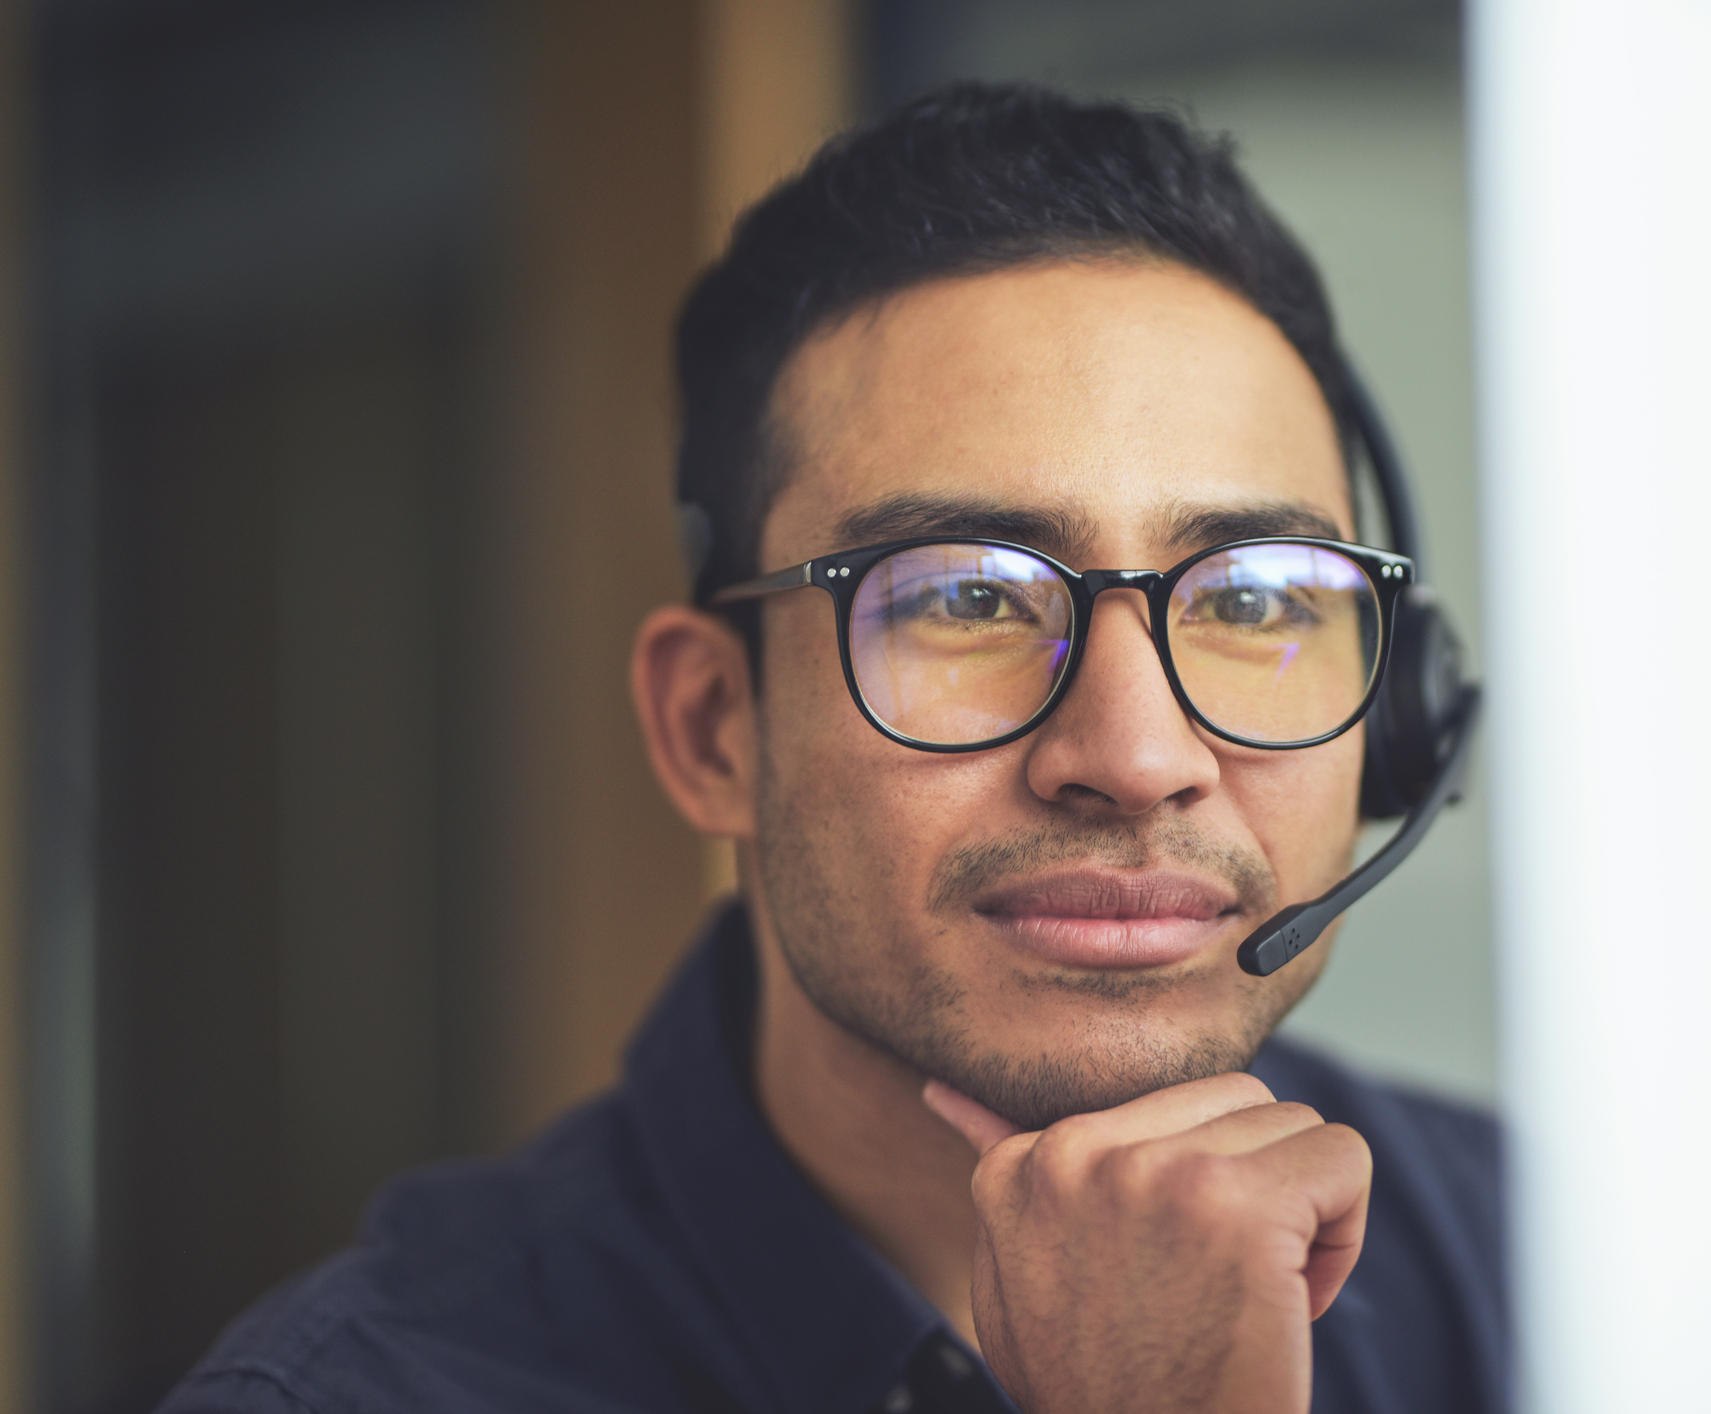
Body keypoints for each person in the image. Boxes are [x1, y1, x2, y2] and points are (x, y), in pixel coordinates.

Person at [160, 82, 1507, 1414]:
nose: (1138, 752)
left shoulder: (1564, 1278)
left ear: (1401, 718)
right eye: (967, 596)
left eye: (1255, 598)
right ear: (712, 729)